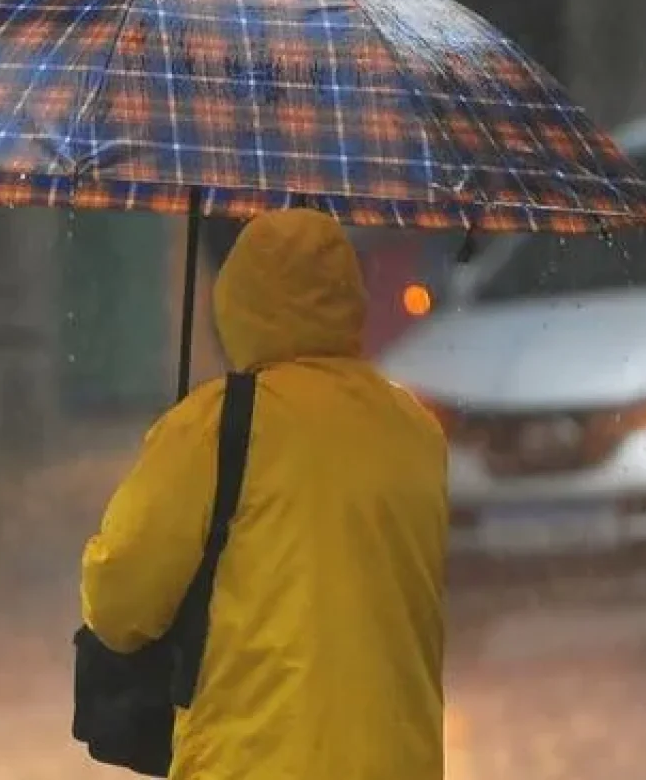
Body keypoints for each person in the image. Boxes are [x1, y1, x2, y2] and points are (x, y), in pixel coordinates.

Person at [79, 209, 449, 780]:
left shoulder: (216, 423)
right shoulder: (415, 427)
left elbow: (120, 602)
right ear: (350, 296)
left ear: (237, 299)